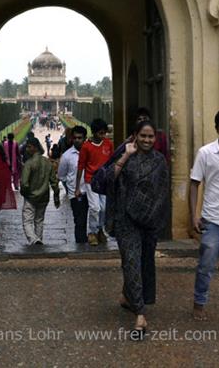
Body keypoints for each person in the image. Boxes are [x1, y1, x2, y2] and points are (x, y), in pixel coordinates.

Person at [104, 120, 169, 339]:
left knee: (143, 263)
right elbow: (101, 182)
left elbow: (162, 192)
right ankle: (140, 314)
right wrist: (124, 156)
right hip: (126, 220)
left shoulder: (160, 161)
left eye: (151, 137)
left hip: (148, 221)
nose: (147, 140)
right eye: (143, 136)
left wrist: (155, 216)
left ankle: (127, 296)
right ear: (135, 136)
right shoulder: (125, 156)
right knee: (131, 262)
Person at [190, 107, 219, 321]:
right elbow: (194, 183)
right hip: (213, 220)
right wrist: (194, 216)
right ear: (216, 128)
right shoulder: (206, 153)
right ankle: (199, 303)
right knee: (206, 266)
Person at [75, 118, 114, 246]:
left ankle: (100, 229)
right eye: (101, 133)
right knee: (95, 207)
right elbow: (81, 166)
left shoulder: (108, 144)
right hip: (90, 179)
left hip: (104, 180)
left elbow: (112, 162)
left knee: (103, 208)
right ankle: (92, 232)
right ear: (94, 132)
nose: (103, 136)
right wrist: (77, 188)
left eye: (104, 133)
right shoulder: (86, 146)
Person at [20, 137, 60, 245]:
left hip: (30, 197)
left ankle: (34, 240)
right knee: (39, 220)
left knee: (27, 221)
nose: (27, 149)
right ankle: (39, 240)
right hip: (44, 196)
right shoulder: (47, 162)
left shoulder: (29, 163)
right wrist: (56, 197)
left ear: (35, 148)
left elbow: (24, 183)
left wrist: (24, 193)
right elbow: (54, 182)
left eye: (29, 147)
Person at [58, 126, 89, 243]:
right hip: (75, 193)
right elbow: (61, 175)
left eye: (80, 138)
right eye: (75, 138)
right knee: (79, 219)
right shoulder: (67, 156)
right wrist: (71, 185)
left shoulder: (90, 152)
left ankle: (87, 238)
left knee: (89, 216)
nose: (77, 140)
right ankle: (80, 241)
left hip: (90, 190)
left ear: (85, 138)